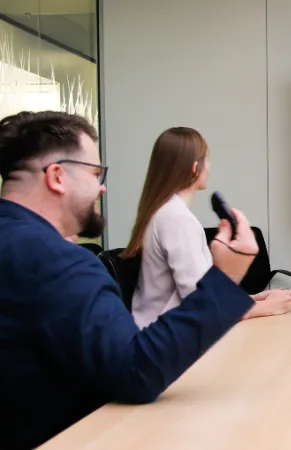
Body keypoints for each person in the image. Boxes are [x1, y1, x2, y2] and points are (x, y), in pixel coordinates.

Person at [0, 111, 260, 449]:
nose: (102, 187)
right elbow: (136, 373)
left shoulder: (26, 249)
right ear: (57, 176)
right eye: (95, 173)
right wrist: (225, 277)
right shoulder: (55, 261)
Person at [121, 127, 291, 328]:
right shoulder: (177, 219)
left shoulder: (165, 213)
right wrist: (264, 308)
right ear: (195, 168)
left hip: (167, 330)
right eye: (207, 160)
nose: (209, 167)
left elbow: (201, 295)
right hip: (170, 337)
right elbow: (201, 302)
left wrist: (252, 300)